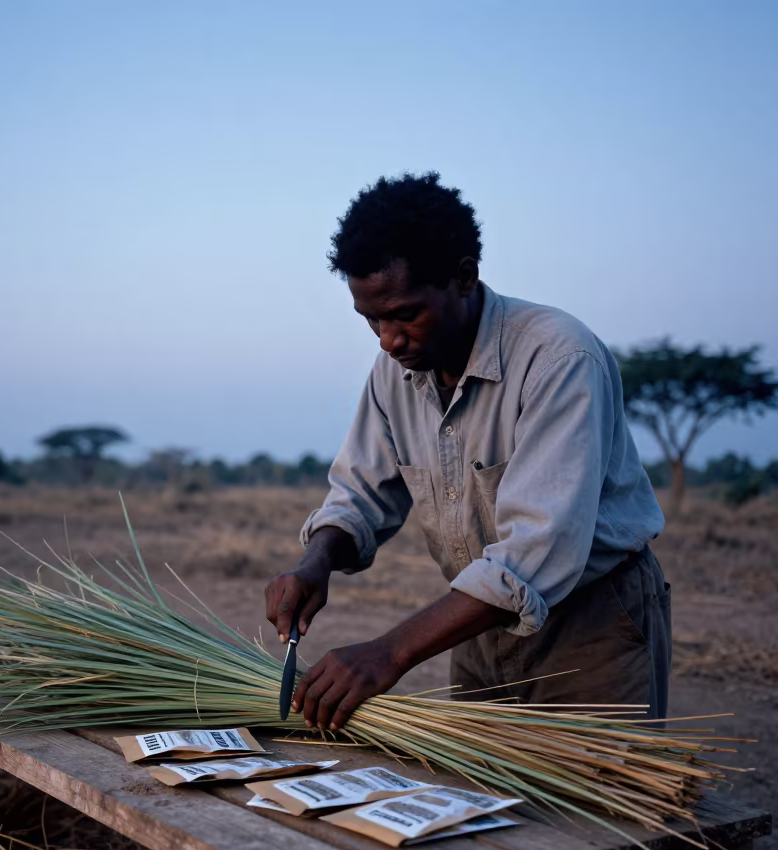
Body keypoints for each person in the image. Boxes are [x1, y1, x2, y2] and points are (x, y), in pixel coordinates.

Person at [265, 172, 671, 733]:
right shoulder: (396, 371)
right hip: (476, 624)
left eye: (405, 313)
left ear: (464, 277)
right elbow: (361, 492)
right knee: (489, 810)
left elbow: (536, 553)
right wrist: (317, 561)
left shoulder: (559, 359)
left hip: (590, 625)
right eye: (371, 319)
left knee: (601, 812)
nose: (387, 339)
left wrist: (390, 652)